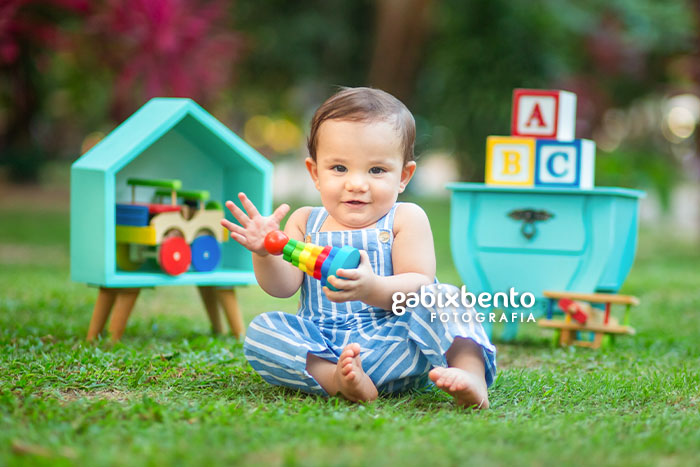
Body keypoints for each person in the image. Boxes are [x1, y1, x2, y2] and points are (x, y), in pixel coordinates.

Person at [221, 87, 496, 408]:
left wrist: (371, 287)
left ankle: (470, 376)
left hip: (397, 346)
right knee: (261, 331)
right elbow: (281, 287)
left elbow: (419, 284)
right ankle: (336, 379)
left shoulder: (404, 218)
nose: (356, 183)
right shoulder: (305, 222)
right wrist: (264, 252)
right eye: (339, 168)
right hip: (325, 346)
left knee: (445, 298)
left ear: (404, 176)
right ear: (315, 173)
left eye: (376, 170)